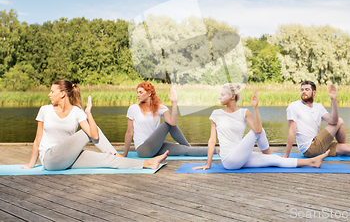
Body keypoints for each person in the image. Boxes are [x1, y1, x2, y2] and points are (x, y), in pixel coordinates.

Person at [22, 80, 167, 171]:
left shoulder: (77, 112)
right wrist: (31, 164)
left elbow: (95, 136)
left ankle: (148, 163)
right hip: (50, 159)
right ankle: (116, 153)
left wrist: (88, 114)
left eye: (52, 91)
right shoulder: (45, 110)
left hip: (68, 158)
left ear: (62, 94)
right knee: (88, 132)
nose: (49, 94)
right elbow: (38, 139)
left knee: (107, 160)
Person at [193, 83, 329, 170]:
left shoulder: (244, 113)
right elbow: (212, 140)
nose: (219, 97)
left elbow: (257, 130)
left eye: (222, 95)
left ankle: (312, 162)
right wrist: (208, 164)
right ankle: (268, 153)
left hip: (240, 155)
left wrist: (255, 108)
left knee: (275, 160)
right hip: (229, 160)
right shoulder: (216, 114)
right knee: (259, 131)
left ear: (232, 97)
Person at [283, 81, 350, 159]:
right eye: (302, 90)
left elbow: (332, 120)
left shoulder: (318, 107)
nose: (303, 92)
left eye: (307, 89)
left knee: (349, 149)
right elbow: (292, 131)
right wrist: (286, 155)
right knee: (340, 121)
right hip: (310, 147)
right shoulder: (294, 106)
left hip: (318, 144)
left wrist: (334, 100)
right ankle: (342, 143)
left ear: (314, 92)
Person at [120, 82, 210, 158]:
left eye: (140, 92)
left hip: (156, 146)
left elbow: (173, 123)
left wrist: (174, 102)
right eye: (137, 92)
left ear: (149, 93)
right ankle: (187, 144)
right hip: (144, 150)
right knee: (167, 123)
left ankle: (216, 150)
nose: (138, 95)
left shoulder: (160, 108)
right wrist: (125, 153)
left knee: (186, 150)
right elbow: (129, 133)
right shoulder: (133, 108)